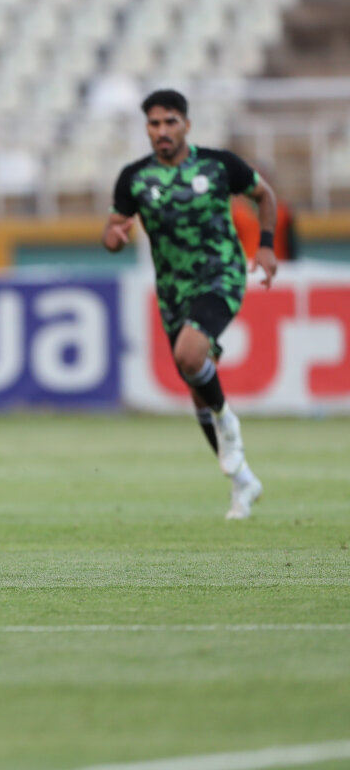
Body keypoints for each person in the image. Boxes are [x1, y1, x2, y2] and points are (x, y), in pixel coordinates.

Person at [103, 89, 278, 520]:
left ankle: (227, 421)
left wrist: (266, 246)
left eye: (170, 122)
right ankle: (242, 481)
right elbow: (112, 229)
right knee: (196, 384)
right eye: (154, 123)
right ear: (147, 129)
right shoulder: (134, 178)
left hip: (220, 275)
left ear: (187, 125)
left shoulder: (219, 165)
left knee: (189, 355)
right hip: (172, 291)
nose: (162, 131)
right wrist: (114, 238)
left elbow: (265, 196)